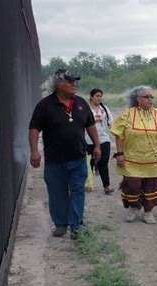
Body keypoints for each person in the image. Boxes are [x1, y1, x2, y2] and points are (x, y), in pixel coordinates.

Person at [29, 69, 101, 239]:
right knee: (57, 192)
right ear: (58, 84)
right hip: (55, 160)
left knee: (77, 191)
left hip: (78, 158)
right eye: (69, 82)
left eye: (74, 81)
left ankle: (76, 226)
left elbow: (90, 125)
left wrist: (97, 145)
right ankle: (61, 224)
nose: (74, 84)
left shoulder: (81, 103)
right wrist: (34, 151)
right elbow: (34, 128)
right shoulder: (44, 105)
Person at [110, 85, 157, 224]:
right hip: (133, 159)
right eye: (146, 97)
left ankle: (148, 212)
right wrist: (120, 154)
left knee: (152, 185)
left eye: (151, 97)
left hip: (154, 160)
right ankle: (133, 207)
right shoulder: (128, 114)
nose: (150, 99)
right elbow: (119, 134)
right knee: (133, 184)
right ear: (137, 99)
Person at [84, 88, 114, 195]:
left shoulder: (105, 109)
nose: (99, 98)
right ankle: (89, 184)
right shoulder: (86, 109)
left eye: (100, 96)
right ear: (91, 97)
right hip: (88, 140)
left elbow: (111, 123)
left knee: (103, 162)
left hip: (104, 139)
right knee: (89, 163)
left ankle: (106, 186)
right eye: (97, 96)